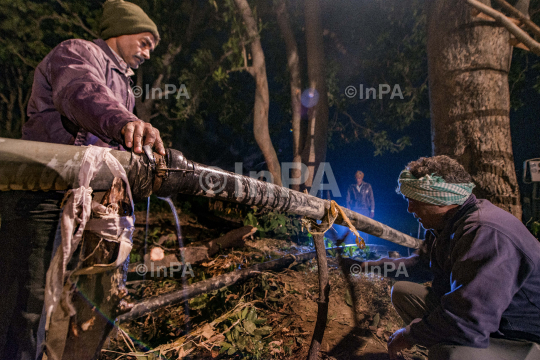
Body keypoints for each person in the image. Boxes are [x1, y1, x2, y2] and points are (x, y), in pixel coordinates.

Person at [0, 1, 164, 358]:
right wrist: (125, 123)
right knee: (23, 304)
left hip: (80, 201)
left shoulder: (122, 82)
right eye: (145, 41)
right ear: (120, 30)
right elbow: (81, 93)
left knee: (60, 301)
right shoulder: (77, 52)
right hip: (41, 193)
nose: (149, 52)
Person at [341, 155, 540, 360]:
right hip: (489, 320)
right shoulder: (446, 225)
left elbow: (469, 320)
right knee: (403, 291)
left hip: (520, 336)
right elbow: (418, 267)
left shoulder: (485, 233)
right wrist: (365, 266)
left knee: (448, 354)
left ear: (438, 198)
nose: (409, 209)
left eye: (413, 200)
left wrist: (412, 334)